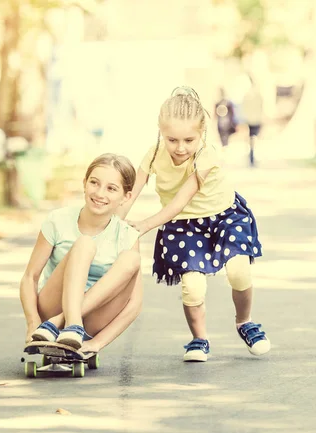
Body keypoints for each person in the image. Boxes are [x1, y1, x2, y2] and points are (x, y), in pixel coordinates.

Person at [119, 86, 270, 362]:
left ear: (201, 133)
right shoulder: (153, 155)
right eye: (172, 139)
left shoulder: (206, 155)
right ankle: (199, 340)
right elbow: (132, 192)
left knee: (239, 271)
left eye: (189, 139)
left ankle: (245, 322)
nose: (180, 148)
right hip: (183, 226)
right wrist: (114, 223)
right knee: (192, 286)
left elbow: (179, 200)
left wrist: (143, 225)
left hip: (223, 217)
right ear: (160, 132)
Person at [19, 153, 143, 353]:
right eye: (94, 183)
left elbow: (134, 304)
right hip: (53, 307)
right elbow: (29, 278)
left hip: (93, 319)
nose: (100, 193)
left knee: (132, 259)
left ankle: (69, 325)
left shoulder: (127, 236)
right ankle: (70, 323)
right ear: (85, 183)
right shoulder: (57, 220)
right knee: (84, 244)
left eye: (111, 188)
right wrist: (32, 323)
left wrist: (97, 343)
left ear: (126, 197)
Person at [242, 78, 264, 167]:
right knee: (254, 138)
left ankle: (252, 154)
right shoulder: (258, 96)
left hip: (250, 120)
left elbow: (244, 108)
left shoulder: (247, 96)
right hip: (255, 120)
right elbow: (261, 107)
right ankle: (252, 154)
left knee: (251, 138)